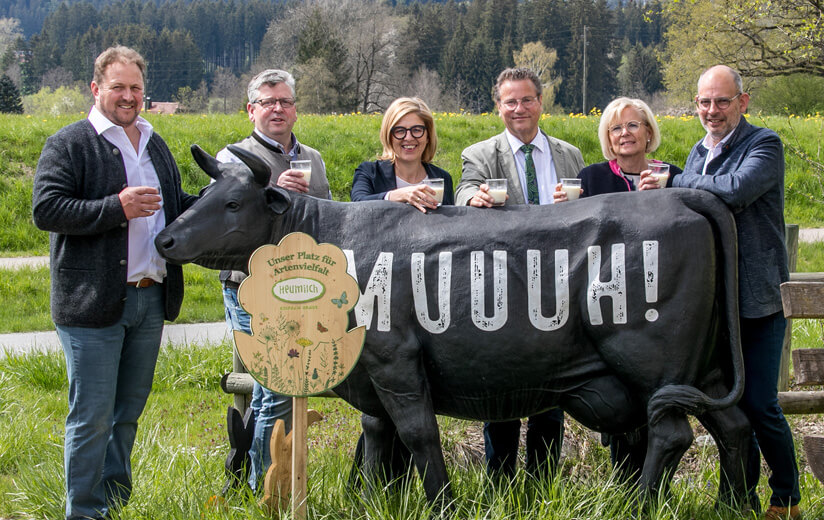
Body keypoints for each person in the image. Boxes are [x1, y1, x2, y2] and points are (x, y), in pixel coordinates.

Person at [32, 46, 198, 520]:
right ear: (96, 88)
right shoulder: (69, 144)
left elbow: (175, 203)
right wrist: (116, 207)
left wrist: (224, 199)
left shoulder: (153, 141)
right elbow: (47, 210)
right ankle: (83, 511)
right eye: (118, 87)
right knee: (92, 418)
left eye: (136, 88)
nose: (128, 97)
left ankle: (113, 505)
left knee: (125, 416)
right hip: (92, 306)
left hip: (150, 300)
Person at [673, 65, 801, 520]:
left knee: (760, 403)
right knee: (731, 403)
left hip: (757, 300)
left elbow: (734, 190)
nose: (712, 111)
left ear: (742, 103)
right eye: (705, 102)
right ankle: (740, 498)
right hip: (714, 303)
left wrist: (674, 182)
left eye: (722, 101)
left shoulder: (762, 144)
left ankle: (787, 498)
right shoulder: (697, 151)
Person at [455, 67, 585, 479]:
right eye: (510, 101)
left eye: (527, 99)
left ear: (540, 103)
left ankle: (543, 482)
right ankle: (500, 483)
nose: (519, 108)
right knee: (502, 387)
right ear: (498, 107)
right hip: (504, 288)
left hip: (557, 284)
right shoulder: (480, 154)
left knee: (553, 386)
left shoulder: (569, 154)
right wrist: (473, 198)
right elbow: (462, 192)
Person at [216, 68, 332, 492]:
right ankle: (266, 489)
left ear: (295, 110)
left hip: (302, 289)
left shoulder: (313, 159)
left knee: (275, 391)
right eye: (268, 102)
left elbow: (328, 219)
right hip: (250, 287)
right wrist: (273, 194)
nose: (277, 109)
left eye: (284, 101)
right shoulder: (233, 157)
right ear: (251, 111)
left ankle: (259, 483)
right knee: (277, 389)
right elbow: (230, 224)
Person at [555, 97, 681, 202]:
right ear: (609, 139)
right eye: (616, 128)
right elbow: (577, 226)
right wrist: (565, 207)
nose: (624, 133)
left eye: (632, 125)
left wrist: (662, 199)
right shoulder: (591, 178)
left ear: (648, 133)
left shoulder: (672, 176)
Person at [351, 96, 454, 210]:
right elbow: (357, 205)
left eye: (417, 130)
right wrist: (396, 195)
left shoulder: (442, 178)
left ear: (428, 136)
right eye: (400, 131)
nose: (408, 138)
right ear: (389, 136)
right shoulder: (370, 173)